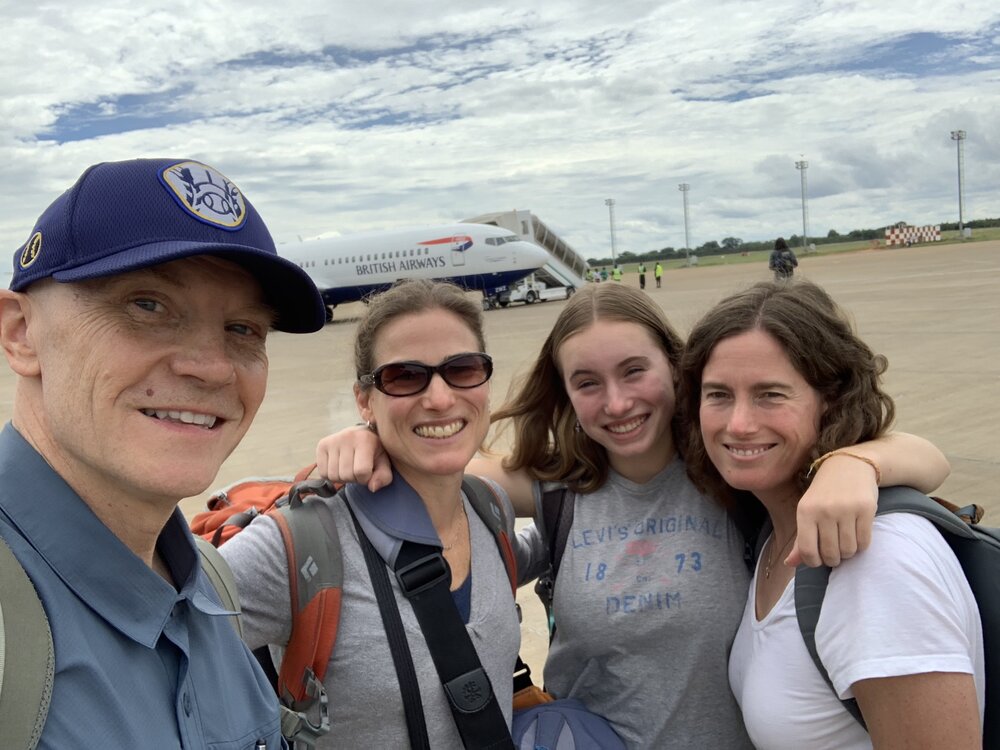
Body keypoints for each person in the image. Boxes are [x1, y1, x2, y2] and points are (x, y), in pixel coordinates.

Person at [316, 283, 949, 748]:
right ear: (565, 394)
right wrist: (363, 434)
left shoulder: (734, 474)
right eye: (587, 382)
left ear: (678, 370)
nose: (617, 402)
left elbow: (929, 460)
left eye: (635, 371)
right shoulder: (560, 489)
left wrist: (853, 464)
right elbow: (434, 445)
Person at [0, 158, 327, 748]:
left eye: (244, 329)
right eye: (146, 306)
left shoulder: (211, 587)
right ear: (22, 333)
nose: (210, 367)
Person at [679, 279, 982, 749]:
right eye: (718, 394)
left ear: (831, 400)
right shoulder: (771, 533)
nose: (738, 424)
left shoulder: (877, 563)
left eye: (770, 394)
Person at [221, 279, 520, 748]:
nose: (440, 398)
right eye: (404, 376)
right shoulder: (301, 545)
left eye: (462, 369)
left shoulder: (490, 509)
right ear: (365, 401)